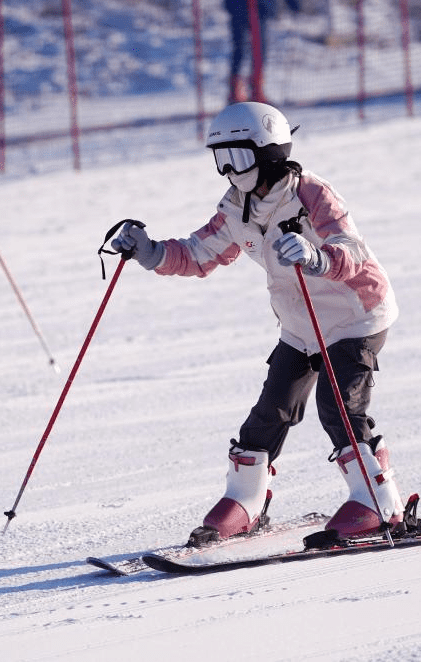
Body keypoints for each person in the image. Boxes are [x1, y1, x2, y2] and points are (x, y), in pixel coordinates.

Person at [112, 101, 404, 546]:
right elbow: (198, 253)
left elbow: (352, 247)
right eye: (221, 159)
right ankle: (245, 501)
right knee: (271, 409)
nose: (230, 170)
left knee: (339, 406)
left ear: (269, 152)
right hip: (300, 325)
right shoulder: (237, 207)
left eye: (239, 157)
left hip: (354, 314)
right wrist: (150, 251)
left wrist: (318, 257)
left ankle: (378, 504)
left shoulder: (311, 194)